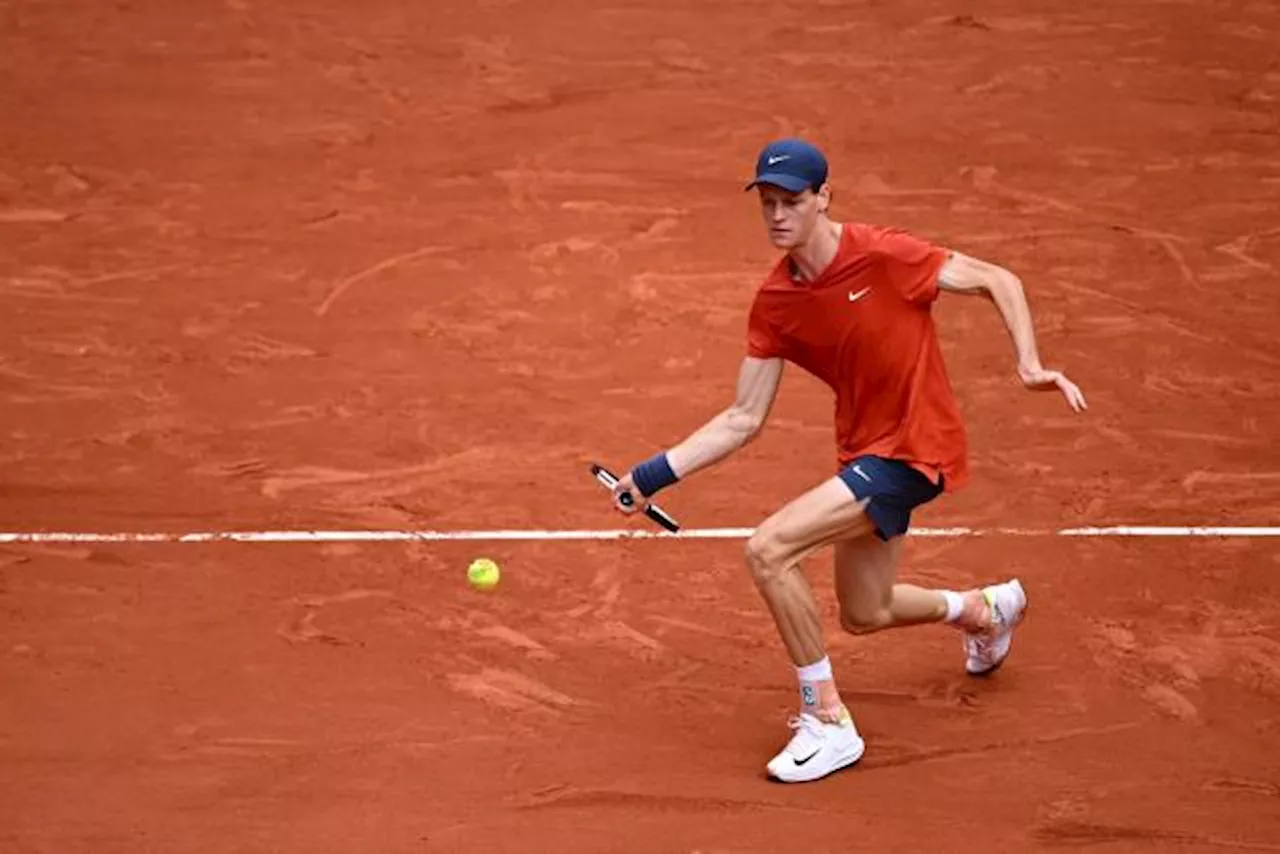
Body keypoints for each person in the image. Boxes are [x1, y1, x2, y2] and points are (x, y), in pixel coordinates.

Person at [609, 138, 1087, 784]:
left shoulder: (885, 255)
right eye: (769, 203)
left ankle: (827, 720)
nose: (778, 215)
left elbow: (997, 278)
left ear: (823, 198)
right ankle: (984, 611)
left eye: (792, 202)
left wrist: (1029, 364)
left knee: (768, 549)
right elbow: (743, 417)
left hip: (916, 446)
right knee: (867, 611)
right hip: (863, 449)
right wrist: (652, 475)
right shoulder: (777, 303)